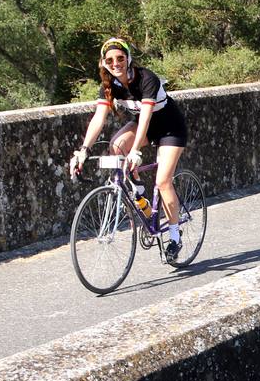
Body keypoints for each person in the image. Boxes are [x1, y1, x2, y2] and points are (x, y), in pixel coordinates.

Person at [68, 38, 190, 263]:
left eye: (120, 58)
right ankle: (139, 192)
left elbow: (145, 116)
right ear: (104, 63)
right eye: (110, 60)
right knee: (116, 145)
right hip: (145, 127)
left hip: (170, 129)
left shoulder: (146, 78)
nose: (116, 64)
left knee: (163, 182)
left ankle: (174, 236)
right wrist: (84, 150)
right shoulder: (109, 86)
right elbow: (98, 118)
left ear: (128, 58)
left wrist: (135, 150)